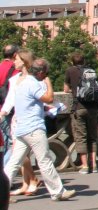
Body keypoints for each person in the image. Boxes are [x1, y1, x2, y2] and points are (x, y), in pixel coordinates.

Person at [0, 53, 75, 201]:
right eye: (45, 73)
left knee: (14, 163)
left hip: (21, 128)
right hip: (34, 128)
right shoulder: (33, 83)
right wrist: (48, 83)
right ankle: (58, 192)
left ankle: (2, 191)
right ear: (41, 72)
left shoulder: (21, 82)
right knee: (45, 161)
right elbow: (49, 98)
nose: (46, 76)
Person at [3, 49, 40, 196]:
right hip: (16, 120)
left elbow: (45, 99)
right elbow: (10, 99)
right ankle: (29, 181)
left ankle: (33, 181)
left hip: (30, 121)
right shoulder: (14, 79)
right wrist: (3, 112)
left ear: (24, 61)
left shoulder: (33, 79)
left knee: (21, 154)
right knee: (18, 153)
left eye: (17, 59)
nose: (14, 62)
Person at [63, 51, 98, 173]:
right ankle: (94, 164)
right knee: (93, 137)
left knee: (81, 137)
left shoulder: (70, 71)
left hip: (78, 107)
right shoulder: (91, 70)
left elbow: (65, 89)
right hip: (93, 107)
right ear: (84, 61)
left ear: (72, 62)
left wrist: (74, 91)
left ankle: (85, 166)